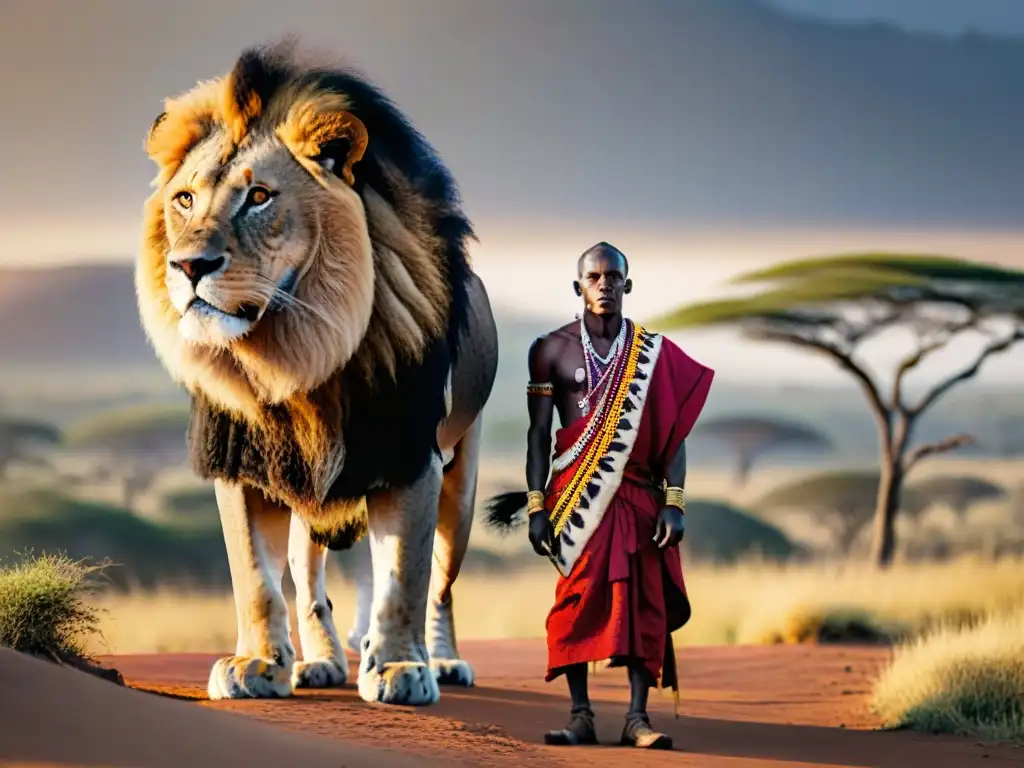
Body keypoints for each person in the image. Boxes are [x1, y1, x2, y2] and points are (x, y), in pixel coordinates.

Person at [492, 242, 714, 750]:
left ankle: (637, 719)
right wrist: (535, 505)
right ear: (578, 287)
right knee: (576, 606)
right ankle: (581, 717)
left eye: (614, 277)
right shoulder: (550, 349)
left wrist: (674, 502)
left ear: (627, 286)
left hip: (638, 498)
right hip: (575, 500)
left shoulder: (654, 353)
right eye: (594, 277)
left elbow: (674, 437)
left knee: (642, 605)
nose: (604, 285)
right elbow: (537, 435)